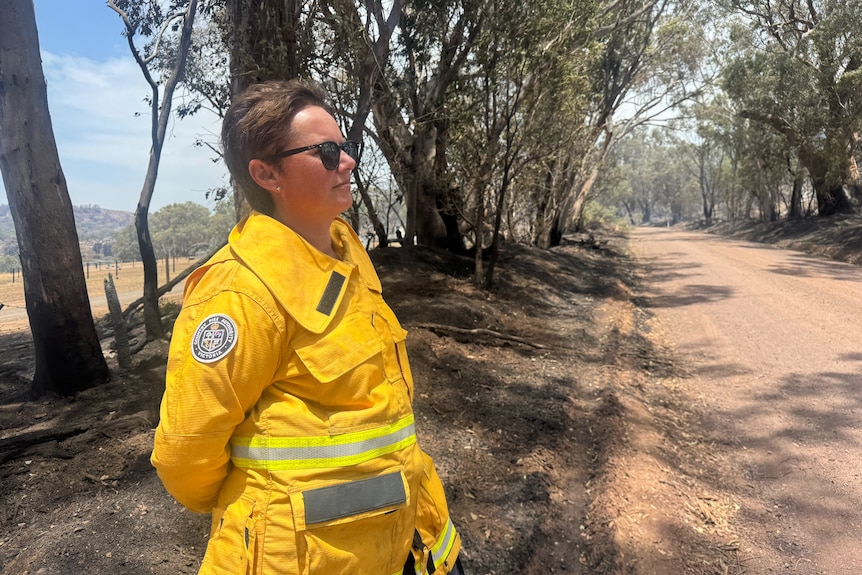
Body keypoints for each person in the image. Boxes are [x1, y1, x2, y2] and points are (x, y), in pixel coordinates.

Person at [150, 78, 464, 575]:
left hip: (409, 541)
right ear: (267, 174)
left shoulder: (347, 250)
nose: (348, 161)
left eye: (345, 147)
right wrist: (263, 503)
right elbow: (185, 457)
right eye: (326, 151)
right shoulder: (239, 295)